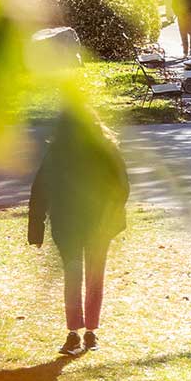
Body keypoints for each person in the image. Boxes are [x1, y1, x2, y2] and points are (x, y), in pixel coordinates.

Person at [28, 112, 129, 357]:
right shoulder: (105, 148)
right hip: (95, 225)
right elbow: (122, 187)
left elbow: (40, 188)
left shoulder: (58, 152)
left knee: (73, 277)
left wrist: (37, 227)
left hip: (71, 225)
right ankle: (89, 332)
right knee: (94, 277)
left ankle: (75, 333)